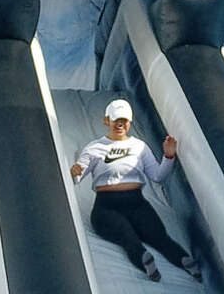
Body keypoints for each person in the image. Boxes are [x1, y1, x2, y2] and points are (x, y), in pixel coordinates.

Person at [70, 99, 200, 283]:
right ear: (107, 121)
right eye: (116, 120)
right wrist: (75, 172)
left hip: (136, 203)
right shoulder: (95, 148)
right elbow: (78, 176)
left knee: (159, 236)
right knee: (126, 234)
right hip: (107, 206)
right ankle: (145, 261)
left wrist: (169, 156)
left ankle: (186, 262)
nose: (120, 124)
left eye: (124, 121)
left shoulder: (139, 147)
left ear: (130, 123)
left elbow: (157, 176)